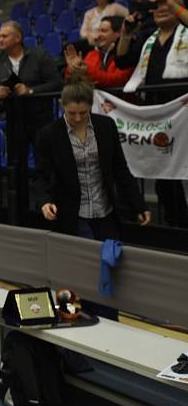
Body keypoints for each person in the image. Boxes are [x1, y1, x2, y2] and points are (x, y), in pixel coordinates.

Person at [35, 75, 151, 319]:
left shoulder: (105, 126)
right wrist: (45, 201)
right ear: (62, 107)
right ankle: (74, 322)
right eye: (72, 113)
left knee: (109, 268)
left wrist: (138, 204)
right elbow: (41, 176)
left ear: (91, 107)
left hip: (105, 210)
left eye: (83, 113)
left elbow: (120, 168)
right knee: (77, 271)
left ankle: (110, 324)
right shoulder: (49, 134)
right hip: (73, 213)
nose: (77, 118)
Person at [115, 0, 188, 228]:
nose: (160, 9)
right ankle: (176, 223)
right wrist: (126, 33)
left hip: (183, 111)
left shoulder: (185, 32)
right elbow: (122, 59)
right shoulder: (149, 38)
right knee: (165, 172)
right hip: (159, 113)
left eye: (167, 5)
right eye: (157, 7)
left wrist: (174, 4)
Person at [0, 21, 62, 218]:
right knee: (16, 164)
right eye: (0, 36)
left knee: (44, 162)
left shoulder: (39, 55)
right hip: (13, 118)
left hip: (40, 118)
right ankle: (20, 208)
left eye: (4, 36)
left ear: (17, 38)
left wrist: (31, 91)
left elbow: (56, 83)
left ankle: (48, 206)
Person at [64, 16, 133, 89]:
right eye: (98, 31)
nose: (98, 35)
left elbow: (117, 81)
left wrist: (86, 71)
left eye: (104, 31)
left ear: (118, 33)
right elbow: (73, 82)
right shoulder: (92, 54)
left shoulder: (126, 55)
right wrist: (72, 69)